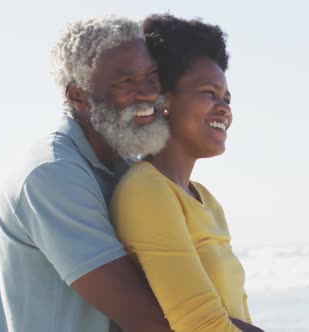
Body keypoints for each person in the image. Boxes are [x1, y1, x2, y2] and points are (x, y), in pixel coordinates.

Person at [0, 16, 174, 332]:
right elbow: (144, 316)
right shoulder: (52, 174)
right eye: (125, 82)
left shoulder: (126, 168)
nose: (148, 93)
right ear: (78, 96)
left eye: (152, 75)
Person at [110, 14, 264, 332]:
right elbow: (199, 324)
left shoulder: (206, 200)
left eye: (227, 98)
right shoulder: (146, 189)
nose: (224, 108)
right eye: (209, 93)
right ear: (164, 100)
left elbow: (238, 314)